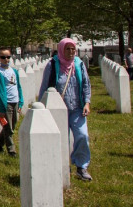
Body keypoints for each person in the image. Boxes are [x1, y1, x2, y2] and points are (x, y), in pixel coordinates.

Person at [38, 37, 93, 182]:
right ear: (61, 50)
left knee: (82, 136)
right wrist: (41, 107)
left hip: (77, 108)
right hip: (58, 108)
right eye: (67, 49)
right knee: (61, 139)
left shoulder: (79, 64)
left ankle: (81, 167)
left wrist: (87, 102)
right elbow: (45, 86)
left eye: (73, 49)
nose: (70, 52)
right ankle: (62, 165)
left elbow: (86, 84)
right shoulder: (53, 65)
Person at [0, 48, 22, 157]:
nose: (6, 59)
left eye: (8, 57)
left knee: (12, 126)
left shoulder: (14, 71)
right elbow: (0, 92)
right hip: (7, 103)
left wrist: (21, 101)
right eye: (3, 57)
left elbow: (18, 87)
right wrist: (2, 108)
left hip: (15, 101)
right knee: (8, 127)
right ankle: (11, 150)